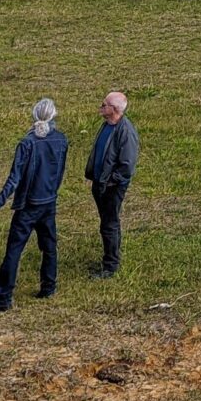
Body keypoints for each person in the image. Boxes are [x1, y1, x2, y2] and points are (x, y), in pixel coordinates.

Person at [0, 96, 70, 311]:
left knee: (14, 250)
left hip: (28, 205)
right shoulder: (61, 140)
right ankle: (48, 287)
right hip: (48, 202)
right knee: (49, 247)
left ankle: (4, 297)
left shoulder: (27, 143)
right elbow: (59, 173)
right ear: (54, 116)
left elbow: (14, 179)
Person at [84, 88, 139, 277]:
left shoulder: (126, 132)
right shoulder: (107, 125)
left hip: (112, 188)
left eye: (104, 104)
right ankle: (109, 259)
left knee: (110, 224)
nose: (101, 106)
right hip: (100, 184)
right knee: (107, 223)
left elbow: (126, 167)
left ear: (114, 109)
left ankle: (110, 266)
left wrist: (109, 182)